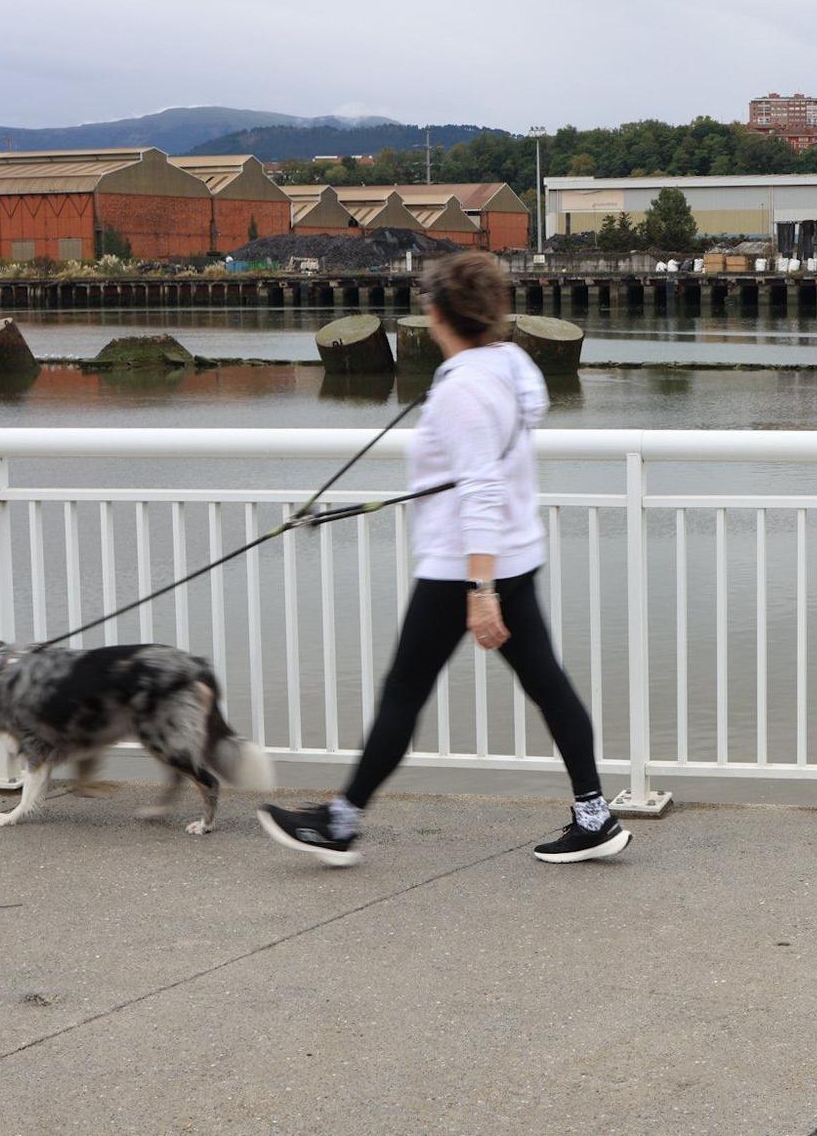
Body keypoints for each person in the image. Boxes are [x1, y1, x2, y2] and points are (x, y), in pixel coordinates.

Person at [259, 251, 628, 867]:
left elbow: (479, 488)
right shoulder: (509, 363)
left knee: (404, 691)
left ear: (437, 312)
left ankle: (340, 824)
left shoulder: (465, 390)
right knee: (548, 685)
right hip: (512, 556)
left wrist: (479, 592)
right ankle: (594, 816)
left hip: (464, 567)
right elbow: (502, 448)